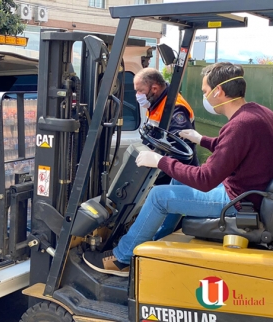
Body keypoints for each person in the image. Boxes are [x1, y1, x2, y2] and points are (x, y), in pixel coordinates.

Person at [83, 62, 273, 277]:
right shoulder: (257, 113)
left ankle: (122, 258)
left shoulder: (240, 125)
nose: (205, 97)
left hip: (239, 201)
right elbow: (236, 148)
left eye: (205, 91)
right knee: (178, 181)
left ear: (218, 91)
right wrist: (202, 140)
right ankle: (160, 236)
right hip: (250, 190)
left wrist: (160, 161)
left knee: (158, 196)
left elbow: (205, 179)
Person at [134, 68, 199, 185]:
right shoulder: (156, 103)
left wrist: (159, 164)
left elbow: (181, 148)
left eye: (140, 91)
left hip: (174, 177)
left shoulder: (175, 109)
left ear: (154, 89)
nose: (138, 95)